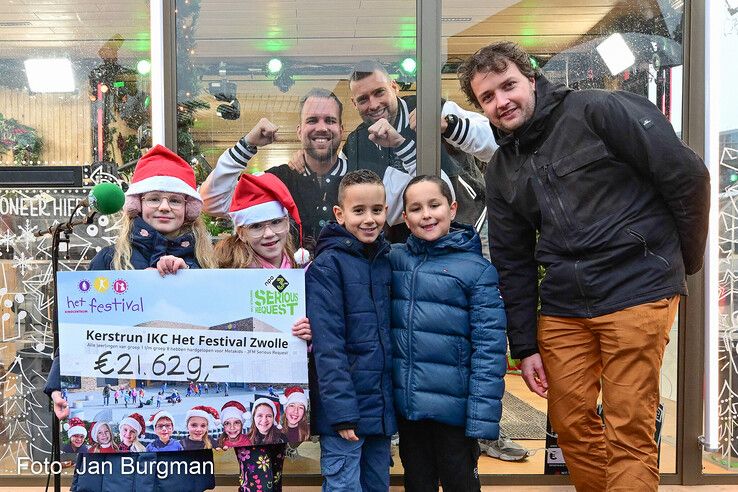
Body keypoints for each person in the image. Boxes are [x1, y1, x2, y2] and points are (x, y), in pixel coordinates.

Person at [457, 41, 710, 491]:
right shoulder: (500, 170)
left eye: (508, 85)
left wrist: (680, 264)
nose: (502, 102)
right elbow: (513, 263)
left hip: (637, 288)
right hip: (564, 305)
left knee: (627, 426)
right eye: (488, 98)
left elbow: (687, 176)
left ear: (531, 79)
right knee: (571, 426)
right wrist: (525, 344)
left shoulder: (600, 110)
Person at [44, 144, 217, 492]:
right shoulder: (109, 260)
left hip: (178, 424)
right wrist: (60, 385)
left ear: (188, 209)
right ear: (137, 205)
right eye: (154, 198)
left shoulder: (205, 268)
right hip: (113, 420)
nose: (164, 207)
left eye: (175, 199)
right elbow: (81, 331)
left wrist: (190, 278)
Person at [389, 175, 507, 490]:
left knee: (461, 483)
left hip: (454, 413)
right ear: (405, 217)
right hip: (410, 409)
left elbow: (488, 350)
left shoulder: (477, 271)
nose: (426, 214)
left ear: (452, 209)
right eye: (416, 208)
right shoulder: (394, 260)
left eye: (434, 205)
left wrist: (482, 416)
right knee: (417, 482)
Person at [205, 171, 312, 492]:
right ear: (240, 230)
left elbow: (320, 321)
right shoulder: (229, 272)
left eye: (276, 223)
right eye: (256, 226)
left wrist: (310, 334)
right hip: (245, 388)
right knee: (258, 477)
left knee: (271, 472)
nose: (269, 234)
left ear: (286, 223)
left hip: (288, 388)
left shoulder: (301, 267)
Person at [306, 169, 396, 491]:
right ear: (340, 214)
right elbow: (328, 346)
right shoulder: (328, 266)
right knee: (344, 485)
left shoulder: (386, 259)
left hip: (380, 410)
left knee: (376, 484)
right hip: (346, 413)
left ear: (387, 210)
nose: (369, 219)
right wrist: (342, 412)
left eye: (376, 210)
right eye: (359, 211)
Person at [343, 60, 497, 234]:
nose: (374, 104)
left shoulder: (429, 109)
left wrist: (447, 125)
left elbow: (495, 143)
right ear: (354, 103)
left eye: (379, 92)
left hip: (472, 226)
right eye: (363, 99)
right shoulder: (356, 143)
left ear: (394, 87)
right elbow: (386, 210)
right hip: (410, 245)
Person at [201, 88, 349, 252]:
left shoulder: (360, 178)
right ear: (299, 131)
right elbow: (212, 203)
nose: (321, 127)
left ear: (341, 130)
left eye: (330, 120)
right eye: (312, 120)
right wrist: (248, 144)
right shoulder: (274, 180)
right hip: (283, 278)